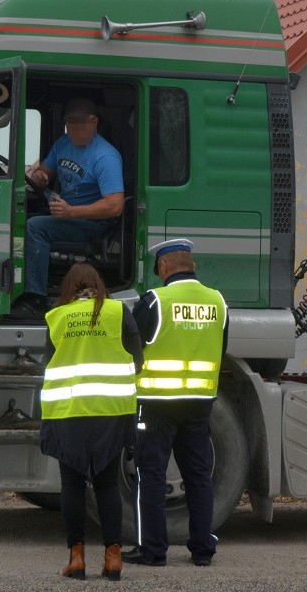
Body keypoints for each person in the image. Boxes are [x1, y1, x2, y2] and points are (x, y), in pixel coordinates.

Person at [122, 238, 228, 568]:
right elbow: (220, 350)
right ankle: (202, 550)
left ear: (164, 268)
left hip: (157, 403)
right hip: (199, 403)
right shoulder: (217, 302)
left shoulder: (155, 300)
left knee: (150, 475)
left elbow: (129, 344)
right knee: (198, 475)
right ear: (192, 266)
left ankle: (152, 551)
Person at [39, 263, 143, 581]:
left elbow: (48, 363)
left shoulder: (57, 317)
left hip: (67, 411)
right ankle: (113, 558)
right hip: (110, 410)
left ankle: (77, 557)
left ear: (68, 288)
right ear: (100, 285)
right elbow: (138, 360)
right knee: (107, 483)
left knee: (71, 485)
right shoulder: (118, 312)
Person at [11, 97, 125, 319]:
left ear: (94, 122)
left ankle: (35, 298)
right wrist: (41, 176)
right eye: (69, 124)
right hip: (66, 213)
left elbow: (115, 205)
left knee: (35, 227)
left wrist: (72, 212)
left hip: (92, 222)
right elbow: (44, 170)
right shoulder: (63, 143)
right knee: (17, 216)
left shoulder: (105, 156)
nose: (73, 130)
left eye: (79, 124)